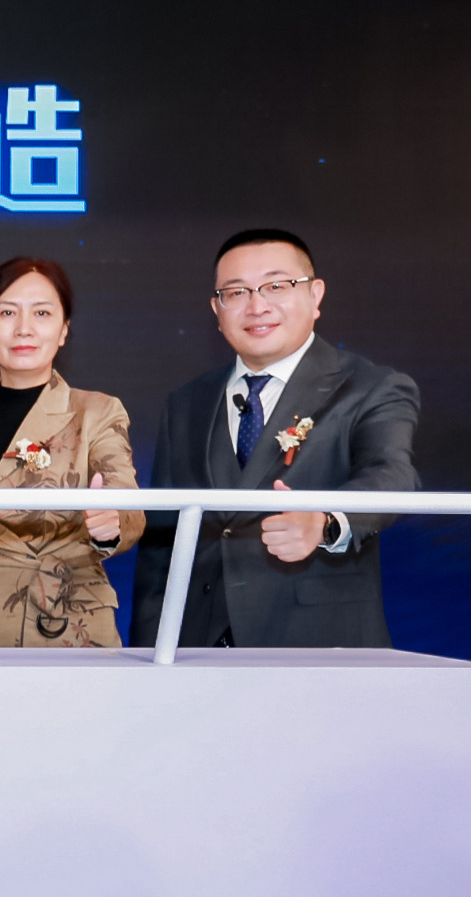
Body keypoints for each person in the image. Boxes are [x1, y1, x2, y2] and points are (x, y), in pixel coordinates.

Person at [130, 227, 421, 649]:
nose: (257, 306)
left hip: (318, 645)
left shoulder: (371, 387)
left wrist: (325, 522)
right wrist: (150, 651)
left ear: (315, 295)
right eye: (236, 292)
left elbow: (392, 475)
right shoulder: (187, 402)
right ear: (216, 309)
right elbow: (163, 547)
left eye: (276, 286)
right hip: (197, 650)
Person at [0, 258, 143, 647]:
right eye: (7, 313)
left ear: (64, 330)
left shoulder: (97, 412)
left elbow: (126, 499)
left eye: (42, 313)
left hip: (63, 626)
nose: (24, 328)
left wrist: (112, 521)